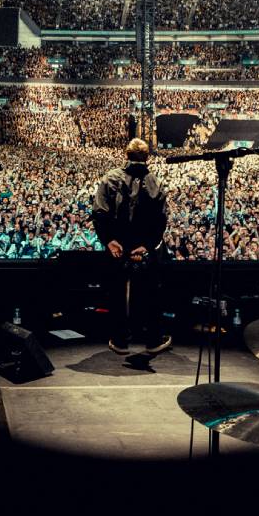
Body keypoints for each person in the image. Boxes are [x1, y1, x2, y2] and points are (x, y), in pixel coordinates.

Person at [91, 137, 172, 355]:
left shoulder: (110, 179)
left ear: (125, 155)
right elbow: (161, 219)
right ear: (147, 157)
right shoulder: (155, 182)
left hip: (117, 245)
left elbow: (99, 212)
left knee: (117, 291)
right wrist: (147, 245)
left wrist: (109, 240)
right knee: (151, 292)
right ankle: (153, 339)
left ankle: (119, 340)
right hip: (142, 248)